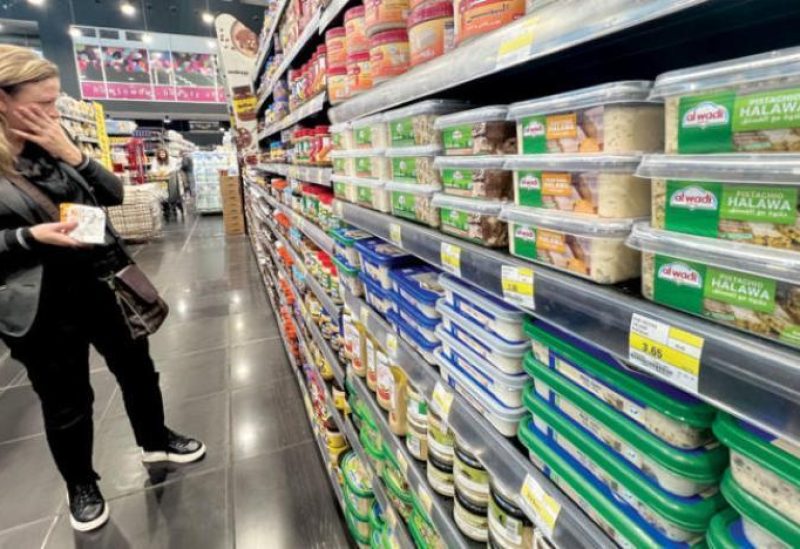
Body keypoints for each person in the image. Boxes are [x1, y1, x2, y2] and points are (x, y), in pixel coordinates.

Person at [0, 45, 206, 533]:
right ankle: (82, 485)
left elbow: (112, 195)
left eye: (56, 102)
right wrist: (28, 237)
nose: (52, 112)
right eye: (41, 103)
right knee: (67, 399)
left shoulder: (57, 138)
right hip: (39, 299)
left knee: (138, 368)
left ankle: (155, 439)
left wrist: (70, 151)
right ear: (3, 100)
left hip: (100, 279)